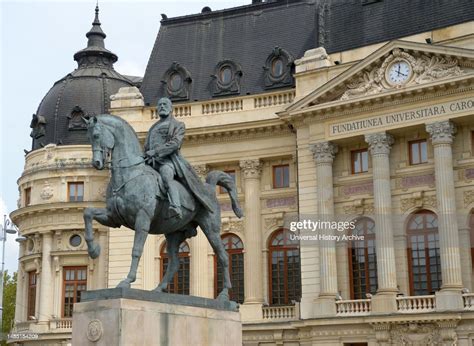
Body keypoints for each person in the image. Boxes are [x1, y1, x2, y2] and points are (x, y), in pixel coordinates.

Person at [144, 97, 213, 218]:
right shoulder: (153, 127)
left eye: (165, 104)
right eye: (159, 105)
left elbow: (175, 144)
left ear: (171, 108)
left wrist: (156, 152)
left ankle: (175, 206)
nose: (162, 107)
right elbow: (146, 146)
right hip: (151, 162)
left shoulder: (178, 125)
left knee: (166, 178)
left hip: (167, 162)